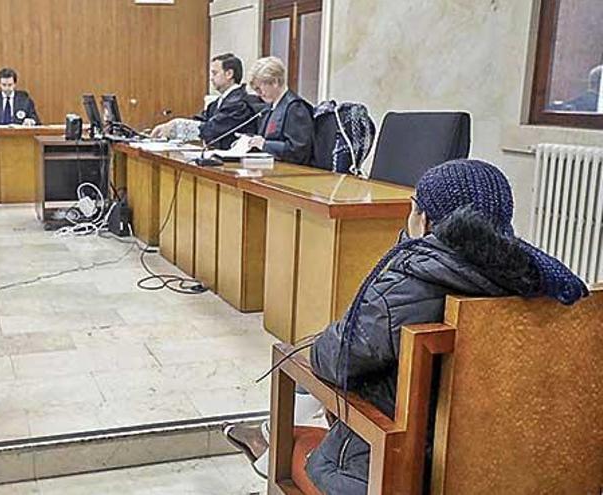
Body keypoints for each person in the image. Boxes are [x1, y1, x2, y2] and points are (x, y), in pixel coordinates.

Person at [226, 159, 589, 494]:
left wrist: (409, 250)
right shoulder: (539, 281)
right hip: (498, 466)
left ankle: (269, 443)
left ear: (426, 219)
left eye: (414, 206)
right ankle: (270, 435)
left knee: (303, 368)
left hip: (401, 472)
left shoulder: (413, 282)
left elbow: (332, 360)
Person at [150, 53, 263, 149]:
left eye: (215, 73)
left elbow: (212, 128)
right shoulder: (218, 102)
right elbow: (200, 120)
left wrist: (176, 126)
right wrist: (168, 127)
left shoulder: (239, 103)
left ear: (229, 74)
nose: (211, 78)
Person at [246, 56, 314, 165]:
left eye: (259, 88)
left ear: (275, 82)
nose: (258, 94)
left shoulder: (295, 108)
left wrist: (264, 145)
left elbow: (298, 151)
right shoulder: (270, 107)